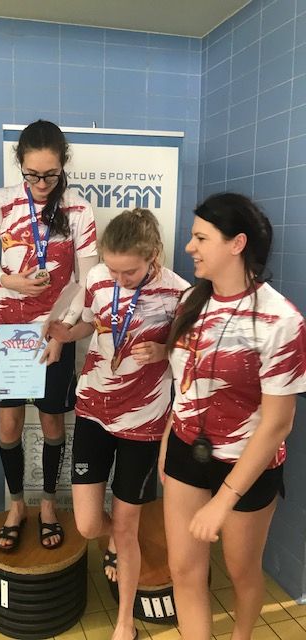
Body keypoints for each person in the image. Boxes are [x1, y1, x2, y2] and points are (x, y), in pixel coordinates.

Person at [160, 192, 306, 640]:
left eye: (201, 238)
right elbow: (183, 384)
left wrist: (223, 500)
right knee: (184, 570)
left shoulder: (280, 320)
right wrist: (168, 442)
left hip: (247, 464)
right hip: (186, 450)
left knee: (242, 571)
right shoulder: (189, 301)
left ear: (237, 243)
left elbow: (278, 423)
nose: (189, 247)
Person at [48, 209, 189, 640]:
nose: (120, 279)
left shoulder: (178, 293)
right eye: (113, 269)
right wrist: (65, 335)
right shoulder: (96, 279)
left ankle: (125, 622)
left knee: (126, 526)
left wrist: (164, 350)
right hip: (94, 409)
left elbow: (188, 353)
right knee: (89, 525)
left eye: (129, 272)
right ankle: (119, 538)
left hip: (144, 423)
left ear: (153, 256)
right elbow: (90, 324)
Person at [0, 119, 98, 551]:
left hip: (54, 330)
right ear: (20, 165)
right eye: (32, 175)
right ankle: (17, 506)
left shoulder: (79, 209)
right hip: (8, 328)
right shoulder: (2, 201)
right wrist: (5, 280)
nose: (42, 184)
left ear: (63, 165)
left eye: (50, 174)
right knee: (9, 424)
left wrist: (63, 331)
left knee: (51, 420)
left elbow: (87, 279)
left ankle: (47, 504)